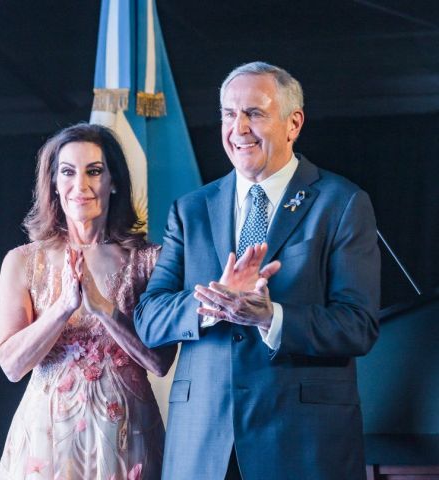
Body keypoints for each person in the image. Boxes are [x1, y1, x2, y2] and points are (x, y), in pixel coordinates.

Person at [134, 61, 380, 480]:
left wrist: (271, 316)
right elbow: (149, 318)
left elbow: (357, 325)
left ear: (293, 123)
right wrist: (211, 303)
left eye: (255, 113)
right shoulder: (190, 210)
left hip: (302, 445)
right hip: (203, 446)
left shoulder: (340, 203)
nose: (239, 128)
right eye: (229, 114)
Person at [0, 123, 176, 479]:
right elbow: (12, 366)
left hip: (126, 435)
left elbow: (159, 362)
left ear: (114, 181)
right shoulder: (22, 261)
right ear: (54, 183)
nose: (81, 186)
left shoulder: (151, 260)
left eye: (94, 171)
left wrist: (102, 307)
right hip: (47, 439)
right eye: (67, 172)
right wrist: (63, 307)